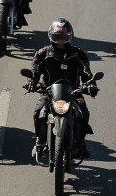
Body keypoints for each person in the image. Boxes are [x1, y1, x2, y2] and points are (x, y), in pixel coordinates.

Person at [26, 18, 97, 158]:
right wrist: (31, 82)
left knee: (84, 113)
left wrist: (91, 84)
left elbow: (87, 72)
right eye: (57, 37)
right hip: (49, 93)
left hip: (73, 93)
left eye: (63, 37)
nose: (60, 41)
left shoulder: (78, 54)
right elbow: (34, 69)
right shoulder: (43, 53)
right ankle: (40, 142)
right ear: (51, 36)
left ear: (69, 37)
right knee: (37, 112)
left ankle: (80, 142)